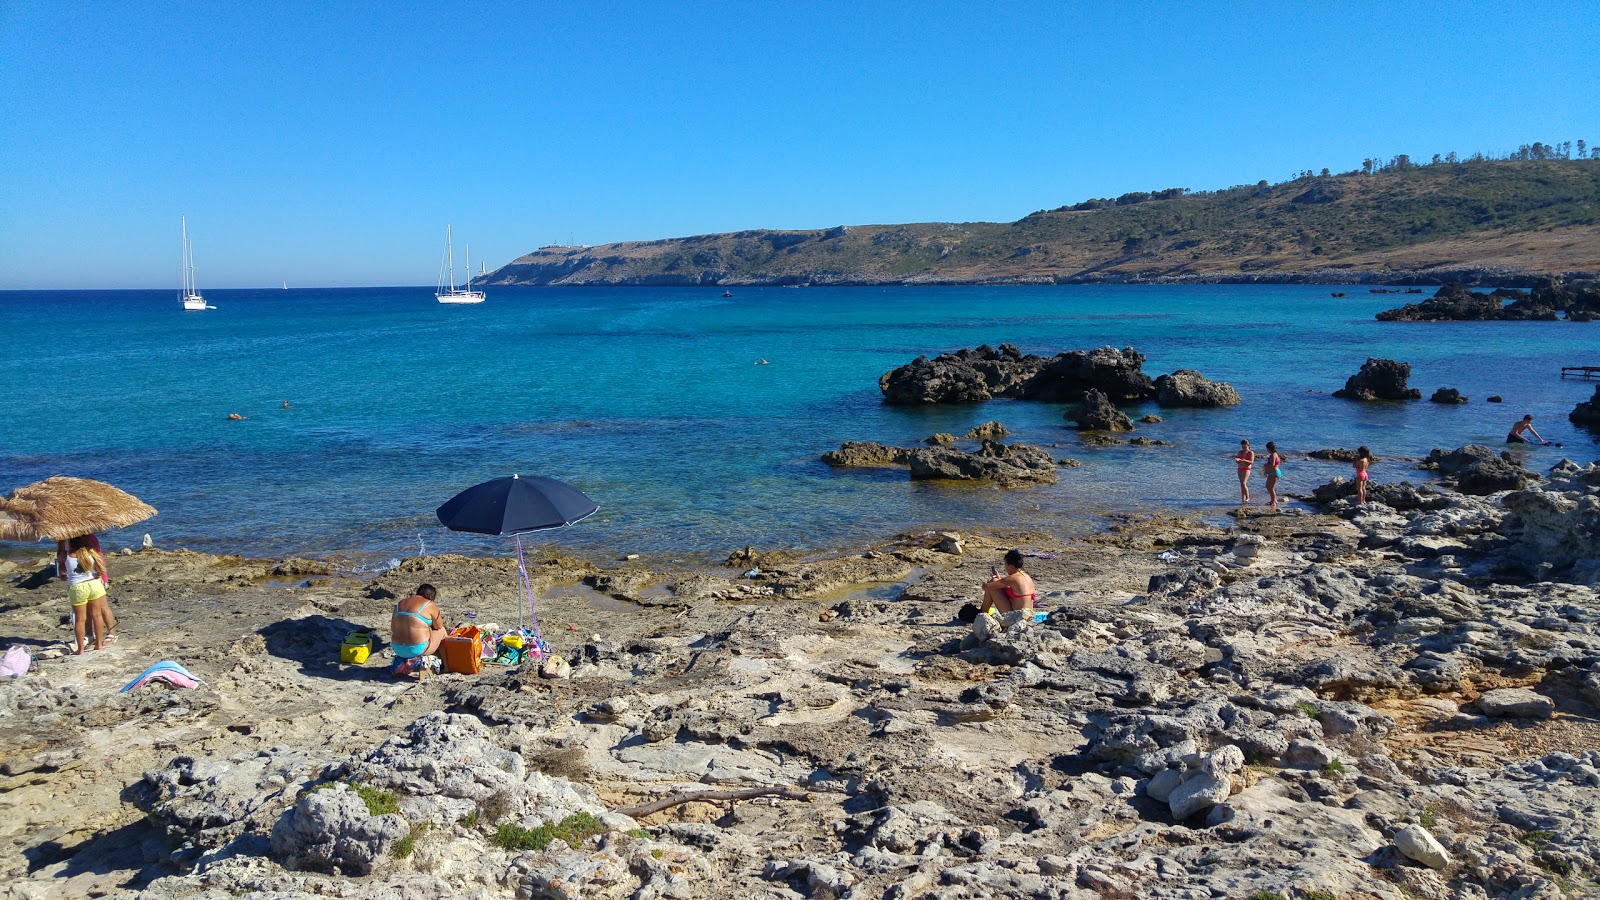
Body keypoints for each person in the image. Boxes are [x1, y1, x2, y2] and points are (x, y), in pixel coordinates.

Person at [59, 535, 114, 654]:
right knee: (97, 615)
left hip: (77, 587)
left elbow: (62, 570)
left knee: (80, 620)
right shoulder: (91, 552)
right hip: (94, 584)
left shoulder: (66, 554)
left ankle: (80, 649)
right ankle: (99, 644)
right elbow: (100, 570)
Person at [390, 584, 446, 678]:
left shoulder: (400, 603)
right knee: (442, 631)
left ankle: (404, 661)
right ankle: (446, 666)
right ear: (430, 597)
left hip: (397, 648)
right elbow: (439, 626)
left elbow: (393, 628)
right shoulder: (429, 604)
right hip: (417, 649)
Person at [980, 549, 1037, 614]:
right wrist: (998, 580)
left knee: (991, 587)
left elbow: (986, 587)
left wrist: (985, 583)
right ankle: (983, 612)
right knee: (995, 584)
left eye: (1006, 565)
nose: (1005, 568)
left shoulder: (1012, 578)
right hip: (1028, 616)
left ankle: (982, 613)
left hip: (1016, 617)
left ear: (1011, 566)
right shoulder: (1026, 576)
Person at [1262, 442, 1284, 511]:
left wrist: (1266, 465)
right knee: (1269, 487)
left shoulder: (1273, 455)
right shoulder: (1275, 454)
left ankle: (1273, 502)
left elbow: (1272, 464)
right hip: (1273, 472)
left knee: (1270, 488)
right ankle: (1274, 500)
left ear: (1269, 448)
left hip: (1274, 473)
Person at [1233, 440, 1255, 504]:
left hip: (1247, 469)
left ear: (1248, 445)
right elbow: (1237, 459)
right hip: (1240, 468)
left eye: (1245, 446)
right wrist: (1237, 460)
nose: (1243, 448)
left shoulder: (1251, 452)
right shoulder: (1240, 452)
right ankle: (1243, 498)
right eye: (1242, 446)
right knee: (1241, 484)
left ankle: (1248, 497)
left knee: (1243, 483)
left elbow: (1251, 462)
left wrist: (1244, 460)